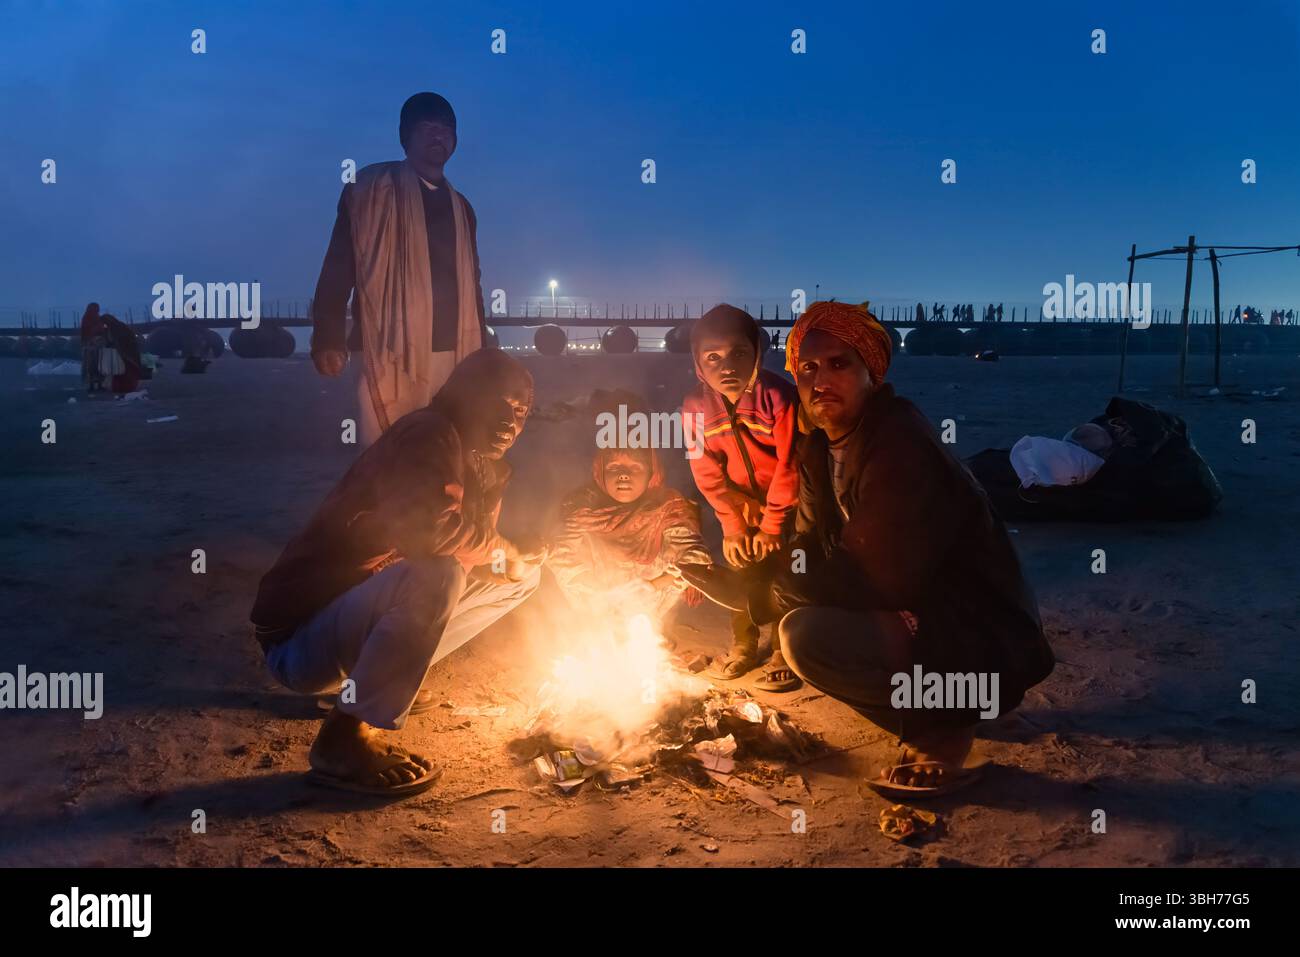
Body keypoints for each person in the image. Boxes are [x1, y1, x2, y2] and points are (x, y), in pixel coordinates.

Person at [684, 301, 1054, 797]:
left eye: (840, 364)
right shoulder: (821, 445)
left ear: (871, 372)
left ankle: (946, 727)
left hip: (981, 630)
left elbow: (879, 575)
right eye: (809, 368)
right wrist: (760, 574)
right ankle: (954, 706)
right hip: (923, 616)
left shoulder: (901, 441)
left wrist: (770, 598)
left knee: (806, 636)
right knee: (804, 618)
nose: (821, 381)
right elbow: (812, 543)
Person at [250, 349, 545, 797]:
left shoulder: (480, 463)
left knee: (522, 576)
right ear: (464, 395)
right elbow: (428, 532)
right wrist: (503, 547)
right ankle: (342, 740)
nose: (510, 421)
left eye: (520, 410)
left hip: (346, 636)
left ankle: (372, 681)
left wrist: (514, 558)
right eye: (497, 403)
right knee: (437, 576)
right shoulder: (429, 434)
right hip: (299, 646)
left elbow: (470, 550)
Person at [311, 92, 487, 448]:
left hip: (455, 351)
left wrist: (482, 351)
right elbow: (339, 264)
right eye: (427, 128)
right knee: (388, 454)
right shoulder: (371, 190)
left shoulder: (462, 207)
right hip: (386, 349)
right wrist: (328, 335)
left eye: (446, 129)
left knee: (448, 451)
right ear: (406, 137)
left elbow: (474, 285)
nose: (438, 137)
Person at [682, 304, 801, 691]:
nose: (726, 366)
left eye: (739, 353)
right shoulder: (695, 408)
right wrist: (733, 525)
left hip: (790, 506)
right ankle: (745, 643)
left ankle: (785, 649)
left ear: (758, 353)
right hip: (743, 508)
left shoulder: (779, 397)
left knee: (787, 573)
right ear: (698, 365)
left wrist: (773, 525)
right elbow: (706, 472)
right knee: (742, 568)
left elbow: (791, 463)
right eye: (712, 357)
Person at [549, 423, 711, 623]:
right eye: (614, 467)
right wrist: (602, 593)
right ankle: (596, 627)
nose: (624, 475)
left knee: (680, 557)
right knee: (572, 548)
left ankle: (650, 627)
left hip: (650, 599)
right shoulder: (583, 507)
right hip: (598, 601)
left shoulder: (667, 508)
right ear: (600, 473)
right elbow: (559, 555)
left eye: (635, 467)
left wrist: (653, 585)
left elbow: (697, 557)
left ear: (651, 474)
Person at [79, 302, 106, 394]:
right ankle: (92, 385)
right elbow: (85, 331)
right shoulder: (87, 318)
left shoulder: (96, 318)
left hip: (96, 345)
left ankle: (98, 385)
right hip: (91, 345)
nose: (97, 310)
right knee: (91, 366)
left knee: (98, 366)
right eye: (96, 308)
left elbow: (101, 329)